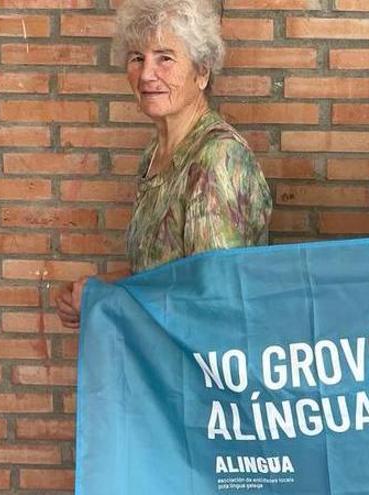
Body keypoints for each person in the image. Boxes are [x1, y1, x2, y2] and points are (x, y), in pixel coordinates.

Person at [56, 0, 272, 329]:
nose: (146, 74)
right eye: (137, 58)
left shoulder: (217, 159)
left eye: (165, 58)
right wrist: (97, 289)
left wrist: (108, 301)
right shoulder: (156, 154)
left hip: (202, 371)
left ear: (202, 73)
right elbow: (159, 272)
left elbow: (214, 299)